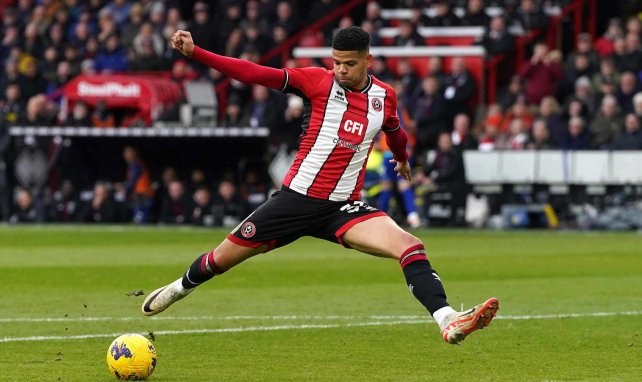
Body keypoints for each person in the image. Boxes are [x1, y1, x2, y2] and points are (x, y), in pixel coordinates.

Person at [142, 27, 498, 345]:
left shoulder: (383, 97)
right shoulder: (317, 81)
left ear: (368, 61)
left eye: (349, 64)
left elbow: (395, 130)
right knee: (220, 260)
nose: (340, 70)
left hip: (342, 208)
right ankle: (179, 288)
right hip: (294, 201)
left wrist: (402, 158)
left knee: (410, 245)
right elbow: (255, 73)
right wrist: (197, 53)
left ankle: (447, 319)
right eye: (336, 62)